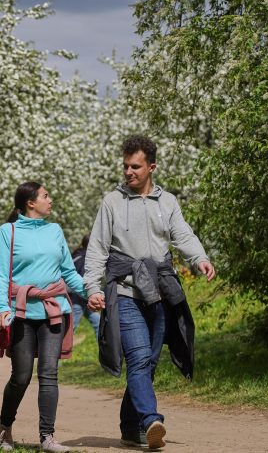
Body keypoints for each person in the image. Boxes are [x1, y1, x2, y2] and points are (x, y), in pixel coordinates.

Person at [83, 135, 216, 449]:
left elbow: (182, 234)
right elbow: (97, 248)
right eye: (126, 166)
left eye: (136, 167)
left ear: (151, 167)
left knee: (149, 363)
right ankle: (151, 420)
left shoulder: (167, 202)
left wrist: (200, 258)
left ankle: (130, 428)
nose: (129, 172)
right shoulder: (112, 202)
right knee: (140, 358)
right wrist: (91, 286)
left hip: (158, 294)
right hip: (126, 292)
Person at [0, 182, 85, 453]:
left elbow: (68, 272)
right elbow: (0, 274)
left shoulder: (55, 230)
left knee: (49, 375)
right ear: (30, 202)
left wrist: (90, 292)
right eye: (46, 196)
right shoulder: (8, 231)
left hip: (53, 311)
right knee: (21, 376)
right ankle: (5, 426)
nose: (50, 200)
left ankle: (47, 437)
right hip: (20, 313)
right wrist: (2, 307)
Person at [69, 235, 100, 345]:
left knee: (99, 323)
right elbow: (83, 281)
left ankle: (106, 357)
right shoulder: (85, 258)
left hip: (83, 299)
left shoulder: (78, 255)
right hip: (77, 300)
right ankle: (54, 360)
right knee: (69, 330)